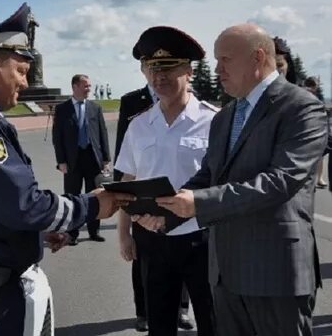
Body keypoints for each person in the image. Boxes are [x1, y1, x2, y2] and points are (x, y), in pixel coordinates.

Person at [0, 3, 134, 336]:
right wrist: (94, 205)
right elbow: (23, 203)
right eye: (21, 70)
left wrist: (35, 233)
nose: (25, 81)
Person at [142, 23, 326, 336]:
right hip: (225, 272)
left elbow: (281, 181)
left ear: (257, 57)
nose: (217, 69)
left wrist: (197, 203)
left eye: (225, 59)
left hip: (274, 271)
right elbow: (208, 176)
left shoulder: (300, 107)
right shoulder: (225, 116)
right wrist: (165, 209)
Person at [114, 26, 216, 336]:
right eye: (152, 68)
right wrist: (124, 234)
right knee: (159, 323)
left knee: (213, 321)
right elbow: (127, 181)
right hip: (152, 239)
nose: (160, 76)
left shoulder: (214, 120)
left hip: (203, 238)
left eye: (169, 67)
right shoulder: (139, 126)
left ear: (188, 70)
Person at [113, 59, 156, 332]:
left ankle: (182, 309)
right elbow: (123, 143)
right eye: (151, 66)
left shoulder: (194, 105)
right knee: (142, 258)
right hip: (141, 187)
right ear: (143, 70)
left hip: (180, 197)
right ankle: (143, 311)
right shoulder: (132, 101)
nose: (158, 73)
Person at [52, 74, 111, 245]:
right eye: (85, 86)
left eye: (89, 86)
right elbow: (58, 137)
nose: (89, 90)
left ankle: (94, 231)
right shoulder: (63, 109)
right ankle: (72, 234)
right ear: (75, 87)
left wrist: (105, 158)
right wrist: (61, 161)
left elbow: (102, 133)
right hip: (72, 160)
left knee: (95, 196)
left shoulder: (95, 108)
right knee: (72, 197)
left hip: (93, 158)